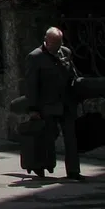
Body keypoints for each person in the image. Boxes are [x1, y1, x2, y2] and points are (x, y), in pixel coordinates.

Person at [24, 26, 82, 179]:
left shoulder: (65, 52)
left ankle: (73, 171)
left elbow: (73, 75)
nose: (57, 47)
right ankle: (42, 166)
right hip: (47, 105)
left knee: (71, 137)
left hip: (66, 103)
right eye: (54, 44)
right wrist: (33, 108)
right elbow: (31, 85)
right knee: (48, 138)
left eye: (59, 43)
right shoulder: (35, 57)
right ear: (46, 41)